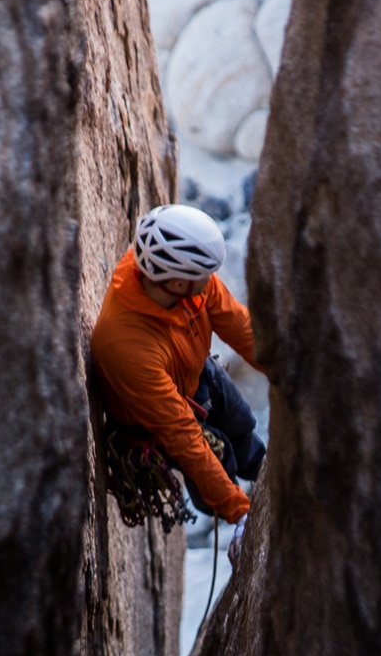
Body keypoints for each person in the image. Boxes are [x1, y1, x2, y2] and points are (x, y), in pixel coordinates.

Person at [91, 204, 265, 542]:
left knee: (242, 424)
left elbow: (240, 326)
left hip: (195, 374)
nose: (211, 279)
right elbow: (183, 437)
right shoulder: (126, 346)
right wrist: (239, 513)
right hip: (156, 424)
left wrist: (290, 373)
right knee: (220, 455)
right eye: (205, 274)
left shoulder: (176, 279)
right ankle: (236, 505)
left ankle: (266, 474)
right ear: (175, 281)